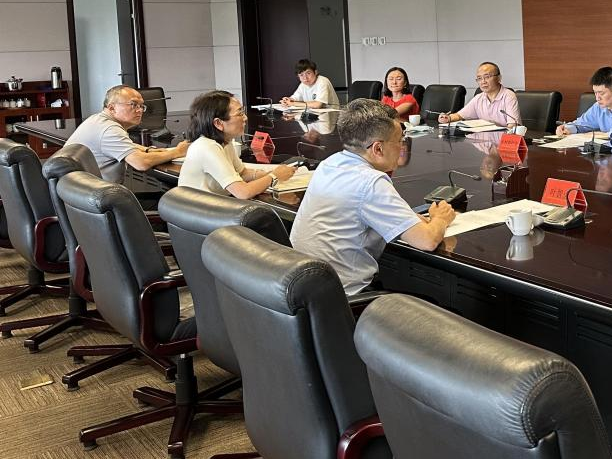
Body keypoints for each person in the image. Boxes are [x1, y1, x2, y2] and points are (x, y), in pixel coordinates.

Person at [290, 99, 456, 294]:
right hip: (343, 297)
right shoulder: (371, 182)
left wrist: (412, 219)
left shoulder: (330, 163)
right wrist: (440, 219)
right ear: (378, 148)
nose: (403, 146)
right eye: (400, 140)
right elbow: (427, 241)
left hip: (303, 289)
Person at [178, 90, 294, 197]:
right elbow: (242, 193)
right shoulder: (207, 147)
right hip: (198, 210)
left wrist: (271, 173)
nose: (245, 118)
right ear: (218, 123)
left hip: (211, 206)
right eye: (240, 113)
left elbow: (242, 173)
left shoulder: (225, 142)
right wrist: (274, 176)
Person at [67, 85, 188, 184]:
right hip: (99, 198)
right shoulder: (110, 130)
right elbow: (141, 163)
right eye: (133, 104)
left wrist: (148, 150)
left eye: (141, 106)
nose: (140, 110)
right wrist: (177, 152)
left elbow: (122, 145)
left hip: (81, 193)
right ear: (112, 108)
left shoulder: (97, 120)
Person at [439, 61, 520, 126]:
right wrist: (447, 118)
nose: (483, 81)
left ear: (499, 78)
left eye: (487, 77)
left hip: (504, 140)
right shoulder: (479, 98)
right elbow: (459, 115)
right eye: (479, 78)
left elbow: (513, 126)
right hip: (483, 140)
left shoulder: (508, 96)